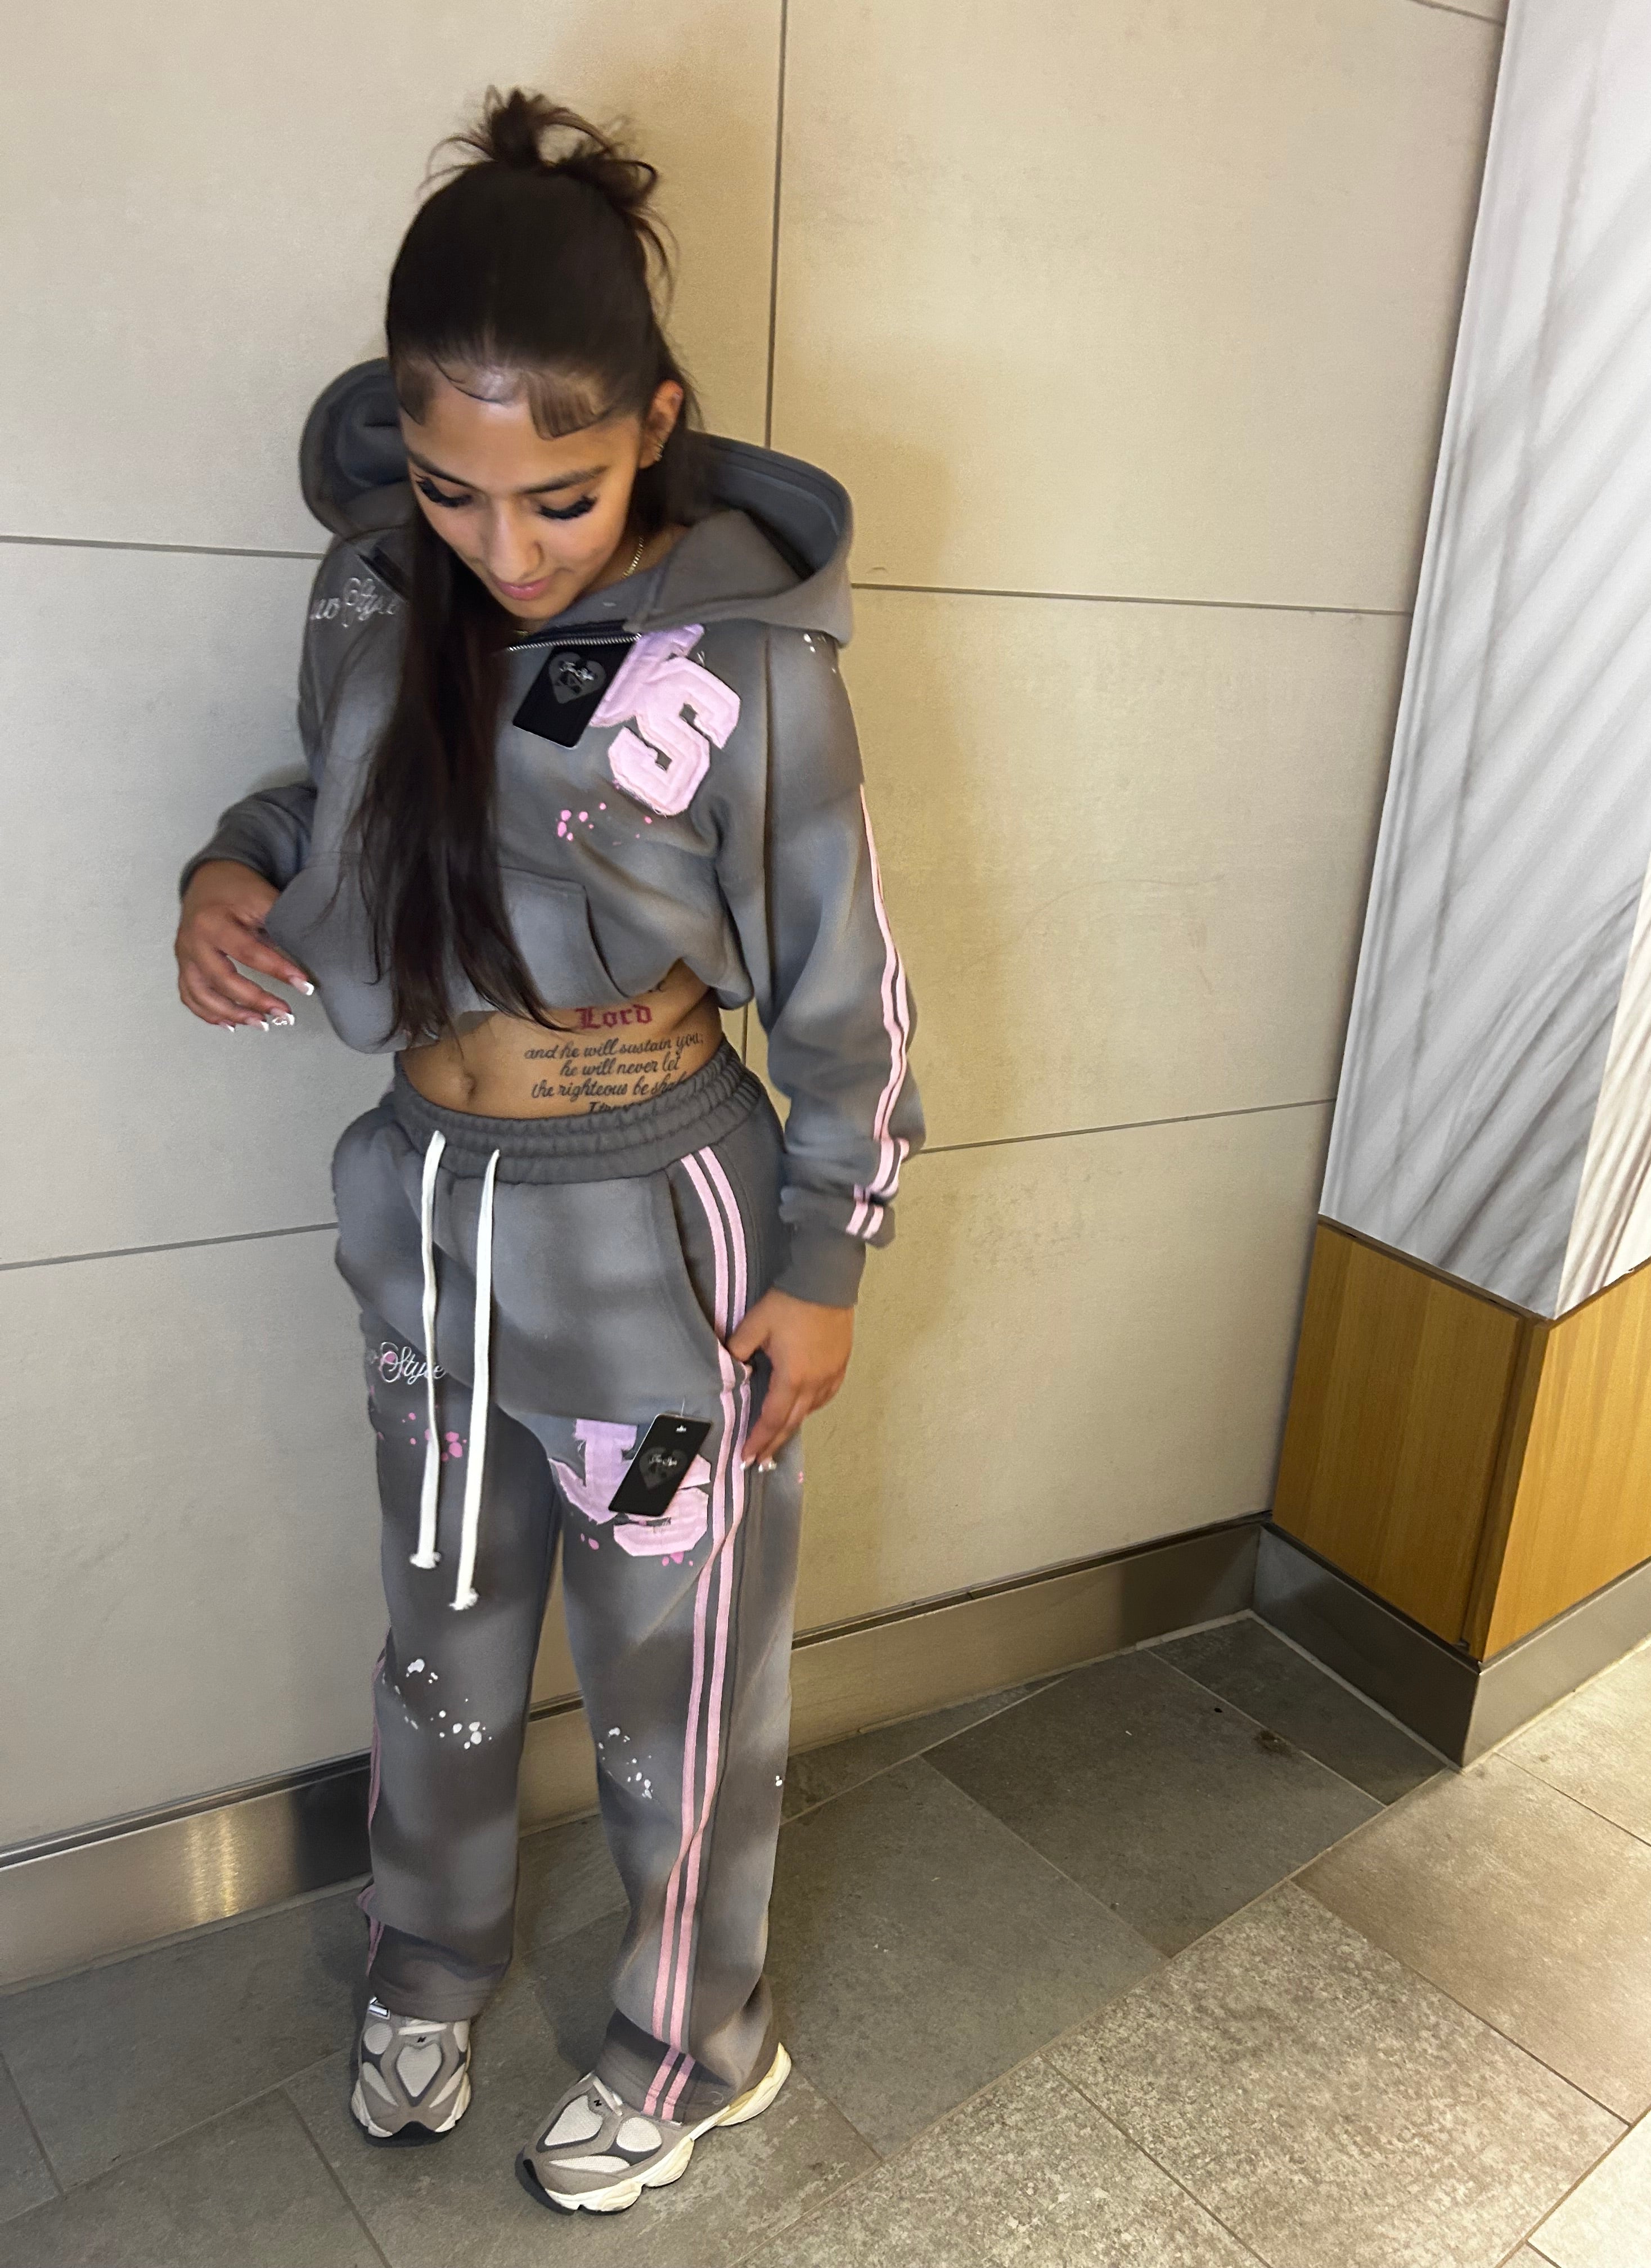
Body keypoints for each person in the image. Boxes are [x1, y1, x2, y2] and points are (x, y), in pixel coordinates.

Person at [173, 87, 920, 2217]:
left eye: (562, 499)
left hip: (653, 1232)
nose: (505, 547)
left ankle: (699, 2041)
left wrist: (828, 1258)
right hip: (422, 1208)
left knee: (679, 1668)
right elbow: (332, 807)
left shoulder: (745, 657)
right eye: (451, 489)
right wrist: (230, 873)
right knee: (443, 1616)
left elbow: (848, 973)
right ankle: (428, 1962)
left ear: (656, 425)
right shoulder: (367, 593)